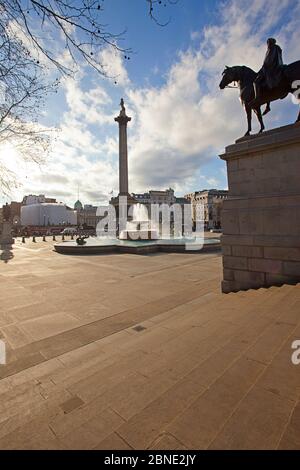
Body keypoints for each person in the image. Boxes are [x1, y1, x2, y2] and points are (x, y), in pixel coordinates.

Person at [252, 38, 284, 115]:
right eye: (267, 42)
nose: (267, 44)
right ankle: (267, 106)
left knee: (256, 82)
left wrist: (262, 69)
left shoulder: (272, 48)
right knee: (265, 85)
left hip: (270, 69)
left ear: (271, 42)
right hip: (275, 68)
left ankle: (257, 98)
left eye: (268, 42)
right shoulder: (277, 48)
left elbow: (268, 61)